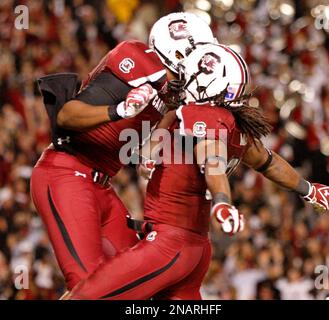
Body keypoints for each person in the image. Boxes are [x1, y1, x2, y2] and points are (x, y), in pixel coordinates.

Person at [66, 43, 329, 300]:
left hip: (169, 243)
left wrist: (222, 201)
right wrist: (308, 189)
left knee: (85, 294)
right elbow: (269, 162)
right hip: (196, 250)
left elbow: (211, 158)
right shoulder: (230, 122)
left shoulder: (203, 115)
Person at [30, 12, 215, 292]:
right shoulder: (140, 62)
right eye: (199, 55)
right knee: (89, 287)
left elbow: (158, 123)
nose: (202, 65)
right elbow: (66, 116)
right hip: (66, 172)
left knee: (132, 283)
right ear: (178, 51)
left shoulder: (174, 88)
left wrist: (152, 151)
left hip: (103, 185)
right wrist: (119, 110)